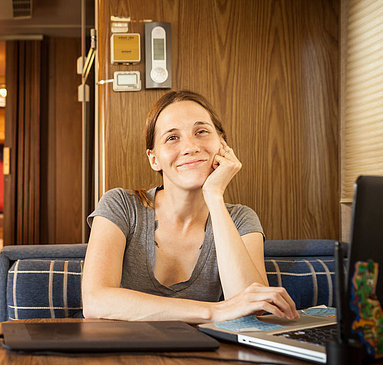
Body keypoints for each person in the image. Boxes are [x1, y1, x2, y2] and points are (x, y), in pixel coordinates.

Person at [82, 90, 299, 323]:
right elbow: (96, 301)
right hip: (126, 354)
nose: (191, 147)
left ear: (222, 144)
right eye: (172, 137)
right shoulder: (121, 205)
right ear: (154, 158)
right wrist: (213, 311)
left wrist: (214, 196)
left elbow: (250, 306)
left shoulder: (240, 219)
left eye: (201, 132)